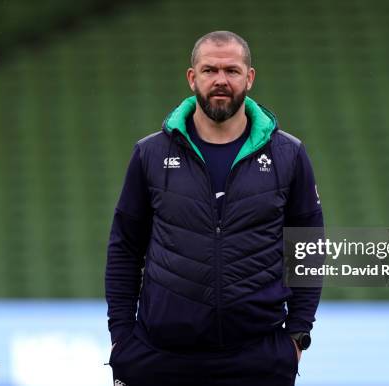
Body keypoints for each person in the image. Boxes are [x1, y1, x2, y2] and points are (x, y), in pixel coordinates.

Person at [105, 30, 323, 386]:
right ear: (192, 78)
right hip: (160, 356)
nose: (221, 80)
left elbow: (308, 249)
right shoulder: (150, 154)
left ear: (249, 78)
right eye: (209, 70)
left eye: (232, 71)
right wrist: (121, 337)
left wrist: (297, 337)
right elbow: (124, 247)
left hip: (257, 359)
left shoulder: (288, 155)